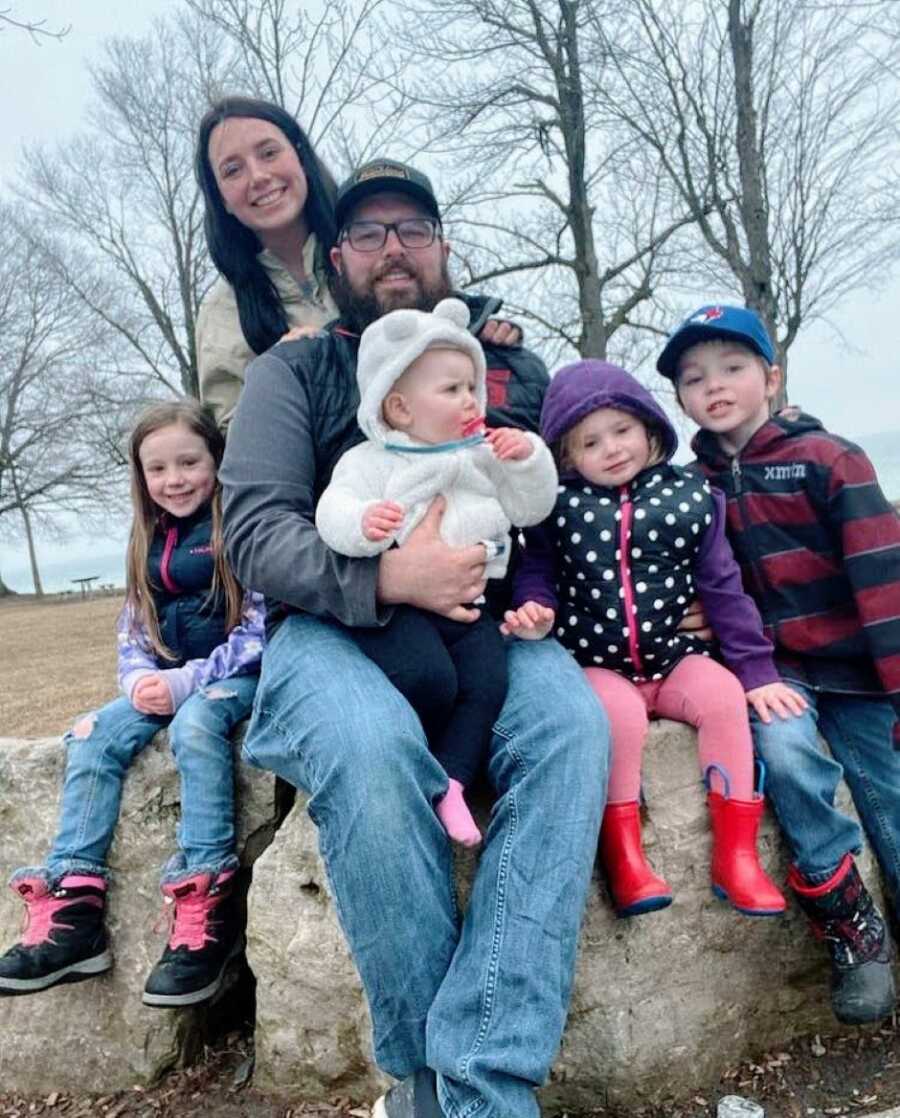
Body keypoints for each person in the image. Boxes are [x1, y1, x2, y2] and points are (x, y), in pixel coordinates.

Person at [218, 157, 609, 1118]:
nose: (393, 248)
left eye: (415, 229)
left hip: (489, 622)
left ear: (444, 249)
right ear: (334, 255)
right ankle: (430, 1087)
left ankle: (474, 1085)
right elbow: (255, 531)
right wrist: (384, 574)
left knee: (570, 731)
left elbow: (556, 507)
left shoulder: (505, 369)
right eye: (367, 233)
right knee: (367, 747)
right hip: (333, 632)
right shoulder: (295, 370)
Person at [657, 303, 899, 1026]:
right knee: (787, 757)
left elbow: (883, 581)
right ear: (680, 399)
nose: (716, 386)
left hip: (857, 669)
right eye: (695, 378)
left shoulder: (828, 459)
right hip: (771, 670)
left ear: (771, 374)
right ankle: (849, 919)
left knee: (891, 796)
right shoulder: (688, 485)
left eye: (733, 368)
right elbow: (677, 575)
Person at [504, 359, 803, 918]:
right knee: (617, 719)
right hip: (598, 662)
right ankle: (625, 857)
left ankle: (736, 856)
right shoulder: (557, 510)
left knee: (721, 698)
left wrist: (757, 672)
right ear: (566, 456)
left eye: (623, 431)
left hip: (674, 657)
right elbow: (537, 570)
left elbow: (723, 588)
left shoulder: (689, 498)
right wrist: (534, 608)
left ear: (649, 429)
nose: (612, 448)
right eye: (591, 442)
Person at [0, 399, 265, 1009]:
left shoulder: (239, 527)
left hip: (235, 682)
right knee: (91, 734)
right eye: (157, 469)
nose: (174, 480)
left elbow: (261, 634)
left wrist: (185, 683)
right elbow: (133, 626)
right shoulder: (144, 539)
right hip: (166, 681)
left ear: (216, 461)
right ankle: (74, 909)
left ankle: (205, 904)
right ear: (140, 477)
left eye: (189, 462)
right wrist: (139, 678)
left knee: (195, 726)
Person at [316, 297, 558, 846]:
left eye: (472, 387)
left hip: (471, 606)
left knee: (488, 678)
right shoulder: (371, 460)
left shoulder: (484, 454)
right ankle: (415, 761)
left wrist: (526, 460)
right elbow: (333, 510)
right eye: (451, 390)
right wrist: (362, 522)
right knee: (429, 676)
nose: (470, 400)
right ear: (399, 408)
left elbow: (530, 507)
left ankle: (451, 779)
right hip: (401, 608)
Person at [195, 97, 522, 431]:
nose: (259, 176)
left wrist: (478, 328)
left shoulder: (371, 247)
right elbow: (230, 439)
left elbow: (429, 309)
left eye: (268, 153)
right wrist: (279, 376)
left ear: (300, 157)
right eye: (232, 170)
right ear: (221, 198)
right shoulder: (223, 313)